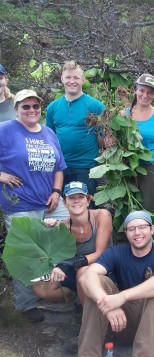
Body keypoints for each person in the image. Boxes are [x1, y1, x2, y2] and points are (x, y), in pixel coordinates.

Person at [0, 89, 69, 322]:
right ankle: (26, 303)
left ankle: (60, 290)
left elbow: (59, 167)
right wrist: (2, 176)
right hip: (20, 203)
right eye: (25, 106)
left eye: (35, 106)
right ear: (16, 108)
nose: (31, 111)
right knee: (26, 253)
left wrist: (57, 192)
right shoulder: (6, 129)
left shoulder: (48, 132)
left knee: (65, 240)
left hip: (49, 201)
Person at [76, 210, 154, 357]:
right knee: (97, 282)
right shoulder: (116, 252)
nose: (137, 232)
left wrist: (121, 297)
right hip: (123, 322)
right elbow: (87, 276)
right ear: (126, 233)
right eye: (131, 229)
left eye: (142, 227)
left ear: (152, 229)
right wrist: (107, 305)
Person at [32, 181, 113, 304]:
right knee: (41, 288)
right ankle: (76, 298)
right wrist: (49, 231)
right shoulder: (62, 227)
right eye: (71, 198)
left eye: (81, 197)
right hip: (74, 270)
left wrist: (68, 263)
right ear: (64, 202)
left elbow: (100, 253)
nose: (76, 201)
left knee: (83, 273)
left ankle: (87, 314)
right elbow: (53, 256)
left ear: (88, 200)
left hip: (104, 268)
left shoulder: (102, 215)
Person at [46, 60, 106, 197]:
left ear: (83, 80)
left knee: (86, 211)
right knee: (61, 212)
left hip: (86, 168)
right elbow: (49, 138)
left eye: (76, 78)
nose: (71, 81)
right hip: (59, 169)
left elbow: (104, 140)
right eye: (68, 77)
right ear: (62, 79)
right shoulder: (52, 107)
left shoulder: (96, 106)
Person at [122, 73, 154, 213]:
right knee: (126, 210)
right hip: (127, 168)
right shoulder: (124, 115)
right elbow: (112, 141)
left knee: (148, 212)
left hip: (152, 169)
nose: (145, 95)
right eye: (142, 90)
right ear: (135, 90)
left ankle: (150, 235)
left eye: (150, 92)